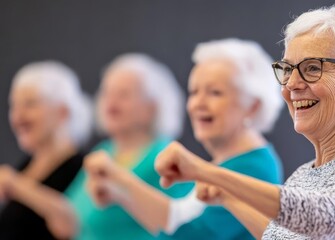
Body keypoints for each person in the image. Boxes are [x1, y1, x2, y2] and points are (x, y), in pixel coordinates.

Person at [153, 5, 335, 239]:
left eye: (313, 68)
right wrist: (229, 198)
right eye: (288, 69)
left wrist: (207, 172)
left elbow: (329, 218)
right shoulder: (303, 174)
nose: (291, 84)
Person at [83, 38, 284, 240]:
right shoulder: (229, 163)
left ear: (253, 106)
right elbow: (177, 217)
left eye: (215, 93)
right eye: (194, 92)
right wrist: (120, 192)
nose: (198, 103)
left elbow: (192, 235)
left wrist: (121, 179)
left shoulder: (253, 167)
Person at [64, 53, 194, 240]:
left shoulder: (165, 156)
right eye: (107, 92)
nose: (111, 101)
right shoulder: (103, 152)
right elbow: (70, 214)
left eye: (123, 94)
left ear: (152, 107)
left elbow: (184, 225)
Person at [0, 61, 92, 239]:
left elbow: (74, 224)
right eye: (14, 106)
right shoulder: (24, 166)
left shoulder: (83, 168)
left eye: (30, 104)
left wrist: (15, 185)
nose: (18, 116)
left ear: (63, 111)